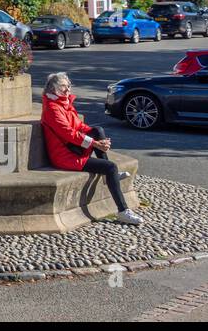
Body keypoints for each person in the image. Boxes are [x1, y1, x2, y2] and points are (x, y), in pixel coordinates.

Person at [40, 71, 143, 225]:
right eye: (63, 87)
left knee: (97, 130)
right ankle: (123, 211)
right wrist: (96, 144)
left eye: (68, 86)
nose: (67, 90)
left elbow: (78, 126)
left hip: (73, 147)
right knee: (110, 168)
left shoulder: (63, 102)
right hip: (65, 155)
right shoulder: (53, 108)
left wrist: (97, 139)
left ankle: (108, 176)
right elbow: (68, 133)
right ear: (53, 89)